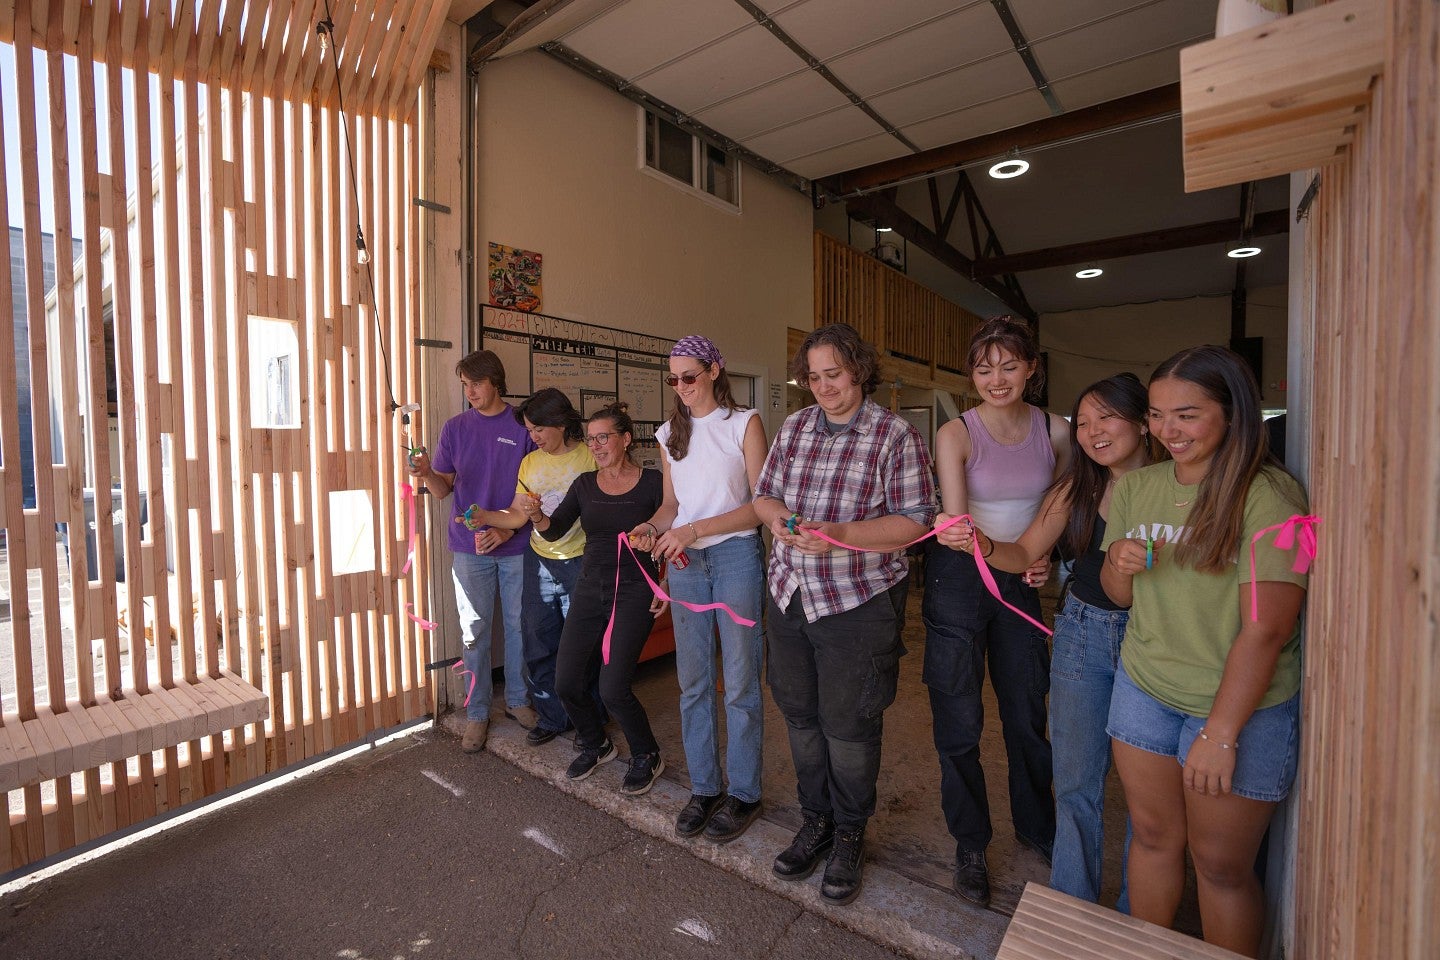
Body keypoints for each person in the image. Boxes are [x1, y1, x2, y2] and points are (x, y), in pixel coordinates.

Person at [1101, 346, 1308, 957]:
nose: (1168, 430)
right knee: (1154, 838)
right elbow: (1118, 597)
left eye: (1187, 414)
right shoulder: (1138, 487)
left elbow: (1267, 631)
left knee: (1220, 867)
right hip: (1143, 689)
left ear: (1232, 413)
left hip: (1238, 710)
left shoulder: (1271, 496)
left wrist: (1219, 734)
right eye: (1159, 415)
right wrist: (1117, 562)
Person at [943, 373, 1158, 905]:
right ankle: (1071, 906)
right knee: (1078, 783)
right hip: (1082, 632)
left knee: (1148, 800)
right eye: (1083, 422)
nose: (1092, 432)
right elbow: (1022, 551)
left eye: (1106, 418)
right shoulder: (1075, 487)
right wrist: (981, 543)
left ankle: (1136, 919)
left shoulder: (1175, 485)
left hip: (1155, 640)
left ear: (1142, 421)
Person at [753, 322, 935, 906]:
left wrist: (840, 535)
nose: (823, 386)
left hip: (857, 601)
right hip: (789, 593)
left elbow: (917, 521)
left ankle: (850, 833)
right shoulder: (795, 427)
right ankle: (817, 822)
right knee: (801, 716)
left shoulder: (895, 435)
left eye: (834, 373)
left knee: (850, 725)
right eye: (813, 376)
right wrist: (778, 518)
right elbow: (763, 495)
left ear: (858, 369)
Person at [926, 314, 1072, 907]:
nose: (997, 378)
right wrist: (998, 551)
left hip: (1021, 579)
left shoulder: (1057, 431)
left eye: (1009, 365)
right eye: (984, 369)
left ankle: (1039, 828)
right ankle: (970, 843)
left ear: (1031, 368)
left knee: (1025, 712)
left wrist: (1045, 560)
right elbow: (959, 527)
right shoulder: (956, 433)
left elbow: (1061, 515)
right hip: (962, 578)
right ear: (972, 376)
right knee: (958, 718)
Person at [629, 335, 769, 843]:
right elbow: (672, 504)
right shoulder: (670, 433)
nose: (681, 387)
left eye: (689, 376)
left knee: (740, 679)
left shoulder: (745, 423)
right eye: (673, 379)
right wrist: (652, 527)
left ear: (714, 370)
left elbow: (760, 505)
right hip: (687, 561)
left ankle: (745, 793)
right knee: (692, 682)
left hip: (734, 556)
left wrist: (693, 530)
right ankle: (705, 788)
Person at [524, 403, 670, 794]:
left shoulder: (655, 482)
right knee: (566, 680)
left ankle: (647, 754)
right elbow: (554, 533)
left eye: (604, 436)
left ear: (626, 439)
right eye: (591, 439)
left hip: (636, 590)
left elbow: (675, 532)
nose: (597, 445)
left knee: (612, 688)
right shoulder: (585, 485)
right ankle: (596, 743)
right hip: (589, 587)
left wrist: (664, 584)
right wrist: (537, 516)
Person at [409, 350, 537, 753]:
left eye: (476, 384)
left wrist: (502, 529)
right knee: (474, 631)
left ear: (495, 381)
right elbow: (444, 490)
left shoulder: (522, 426)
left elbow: (536, 492)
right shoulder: (455, 428)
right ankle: (477, 712)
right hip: (468, 546)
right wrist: (427, 472)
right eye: (465, 385)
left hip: (516, 543)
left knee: (520, 627)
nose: (470, 392)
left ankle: (518, 701)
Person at [462, 388, 603, 747]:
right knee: (539, 641)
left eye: (539, 428)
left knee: (582, 647)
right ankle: (553, 716)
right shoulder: (531, 463)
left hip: (583, 562)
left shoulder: (590, 457)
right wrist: (484, 516)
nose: (533, 437)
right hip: (539, 560)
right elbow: (516, 514)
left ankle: (589, 722)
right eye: (529, 429)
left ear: (561, 423)